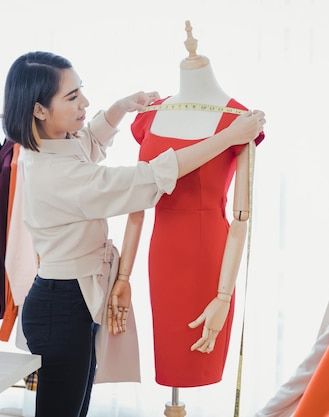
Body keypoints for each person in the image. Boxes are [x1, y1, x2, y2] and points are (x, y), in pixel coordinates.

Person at [2, 50, 265, 417]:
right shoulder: (59, 175)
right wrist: (228, 137)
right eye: (73, 96)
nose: (85, 102)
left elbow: (88, 142)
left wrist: (120, 108)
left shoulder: (50, 148)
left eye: (82, 90)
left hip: (72, 295)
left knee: (72, 405)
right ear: (39, 110)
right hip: (63, 304)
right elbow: (143, 181)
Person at [111, 20, 266, 400]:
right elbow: (137, 202)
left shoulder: (239, 121)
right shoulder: (150, 115)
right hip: (161, 256)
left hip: (208, 261)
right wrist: (123, 275)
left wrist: (224, 298)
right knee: (168, 357)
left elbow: (242, 220)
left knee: (197, 357)